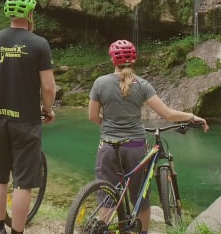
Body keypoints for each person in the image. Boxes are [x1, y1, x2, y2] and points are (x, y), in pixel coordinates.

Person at [89, 39, 208, 234]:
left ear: (112, 60)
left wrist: (109, 125)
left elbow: (93, 116)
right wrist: (192, 116)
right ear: (134, 60)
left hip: (109, 146)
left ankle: (105, 229)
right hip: (135, 147)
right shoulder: (143, 85)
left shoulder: (100, 83)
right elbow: (167, 114)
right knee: (139, 196)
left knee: (107, 194)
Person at [0, 0, 56, 234]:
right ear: (30, 15)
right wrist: (48, 109)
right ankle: (17, 232)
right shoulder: (39, 44)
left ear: (8, 14)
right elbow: (49, 87)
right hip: (26, 122)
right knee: (24, 183)